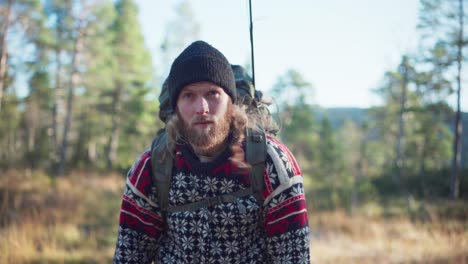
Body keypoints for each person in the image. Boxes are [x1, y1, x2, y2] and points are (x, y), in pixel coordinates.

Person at [113, 40, 310, 263]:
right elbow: (128, 257)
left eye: (213, 94)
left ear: (231, 101)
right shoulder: (152, 167)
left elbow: (294, 258)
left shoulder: (272, 163)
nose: (202, 108)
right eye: (189, 95)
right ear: (175, 106)